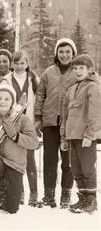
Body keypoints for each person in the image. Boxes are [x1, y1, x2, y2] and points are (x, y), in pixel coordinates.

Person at [0, 84, 39, 220]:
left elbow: (34, 142)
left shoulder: (23, 120)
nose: (2, 102)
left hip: (15, 163)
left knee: (12, 208)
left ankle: (5, 195)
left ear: (12, 102)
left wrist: (15, 136)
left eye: (7, 99)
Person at [34, 38, 77, 208]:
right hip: (50, 121)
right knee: (49, 159)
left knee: (68, 161)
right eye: (61, 51)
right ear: (56, 54)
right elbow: (40, 96)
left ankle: (66, 196)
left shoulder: (78, 72)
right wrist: (38, 118)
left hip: (70, 122)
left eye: (68, 52)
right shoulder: (48, 72)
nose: (64, 55)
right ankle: (49, 196)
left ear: (73, 53)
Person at [60, 54, 100, 214]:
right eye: (75, 68)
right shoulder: (71, 89)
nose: (77, 71)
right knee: (76, 168)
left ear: (89, 69)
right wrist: (64, 137)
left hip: (85, 137)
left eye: (81, 68)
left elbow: (96, 113)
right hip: (72, 137)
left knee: (87, 168)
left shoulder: (93, 87)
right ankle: (82, 198)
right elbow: (65, 116)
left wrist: (90, 135)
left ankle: (91, 200)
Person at [2, 51, 40, 206]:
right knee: (16, 158)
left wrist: (38, 120)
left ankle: (34, 192)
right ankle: (21, 191)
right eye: (16, 63)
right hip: (13, 123)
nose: (19, 66)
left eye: (22, 63)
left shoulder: (33, 79)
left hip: (28, 123)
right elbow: (2, 99)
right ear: (12, 64)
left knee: (30, 159)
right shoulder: (7, 80)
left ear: (27, 64)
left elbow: (38, 99)